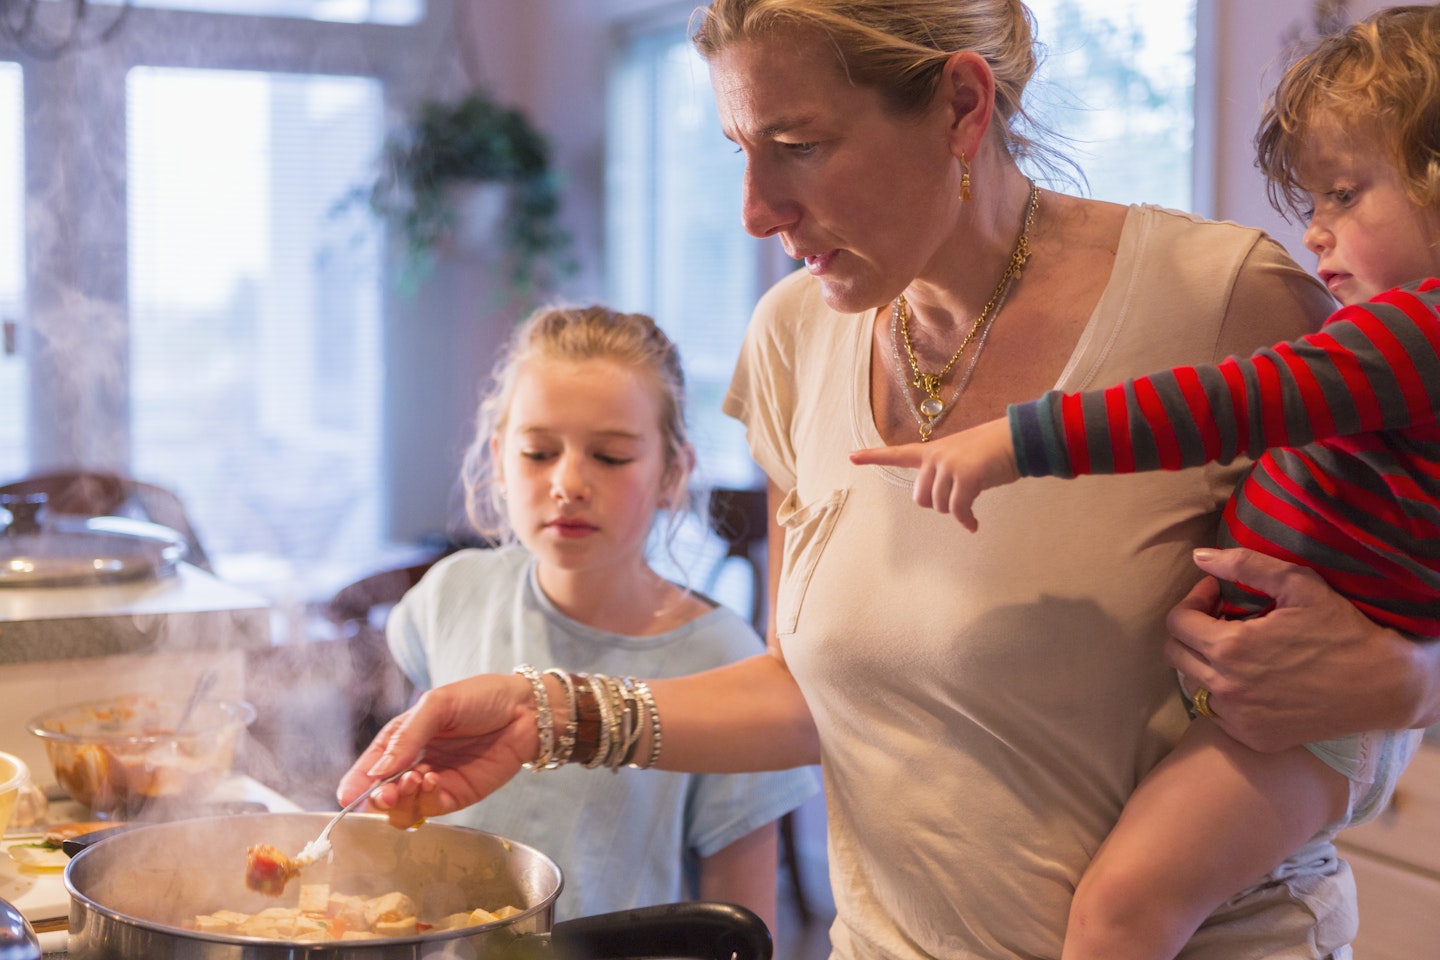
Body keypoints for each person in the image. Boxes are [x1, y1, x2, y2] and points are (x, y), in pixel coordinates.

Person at [339, 3, 1372, 956]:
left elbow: (1383, 621)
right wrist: (548, 712)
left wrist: (1411, 677)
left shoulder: (1222, 306)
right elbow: (811, 687)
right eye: (743, 151)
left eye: (801, 146)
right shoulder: (795, 336)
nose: (755, 209)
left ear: (963, 107)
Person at [849, 7, 1440, 957]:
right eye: (1313, 204)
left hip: (1298, 727)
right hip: (1275, 697)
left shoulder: (1416, 332)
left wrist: (1012, 443)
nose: (1317, 237)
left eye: (1345, 193)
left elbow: (1226, 403)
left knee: (1123, 910)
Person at [379, 304, 819, 927]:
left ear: (673, 473)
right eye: (537, 452)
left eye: (610, 458)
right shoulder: (452, 594)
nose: (568, 482)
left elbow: (740, 925)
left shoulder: (727, 661)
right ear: (500, 458)